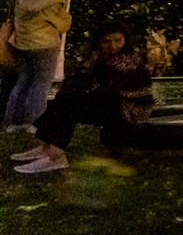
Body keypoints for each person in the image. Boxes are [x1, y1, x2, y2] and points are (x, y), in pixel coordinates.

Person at [13, 20, 153, 173]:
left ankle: (56, 156)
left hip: (128, 109)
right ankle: (46, 147)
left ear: (125, 39)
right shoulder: (97, 57)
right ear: (98, 42)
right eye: (106, 41)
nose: (112, 45)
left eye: (117, 40)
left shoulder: (129, 61)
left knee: (71, 102)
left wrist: (82, 90)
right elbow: (84, 80)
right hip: (112, 103)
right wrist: (76, 86)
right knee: (64, 98)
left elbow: (108, 89)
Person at [3, 0, 74, 133]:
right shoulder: (53, 2)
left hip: (22, 45)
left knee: (22, 82)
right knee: (41, 84)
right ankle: (33, 121)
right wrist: (67, 15)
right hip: (45, 46)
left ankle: (12, 122)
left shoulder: (21, 0)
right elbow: (63, 25)